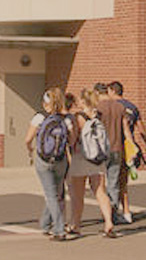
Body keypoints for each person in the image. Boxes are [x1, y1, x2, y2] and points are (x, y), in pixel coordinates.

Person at [24, 88, 74, 241]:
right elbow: (72, 141)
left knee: (51, 195)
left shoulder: (39, 117)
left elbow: (27, 139)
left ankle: (59, 230)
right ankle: (45, 224)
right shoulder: (66, 120)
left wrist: (30, 149)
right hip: (60, 160)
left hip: (43, 160)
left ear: (45, 103)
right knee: (56, 194)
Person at [68, 89, 118, 238]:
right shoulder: (99, 115)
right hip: (97, 157)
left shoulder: (78, 117)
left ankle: (76, 224)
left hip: (81, 157)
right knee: (100, 192)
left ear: (83, 101)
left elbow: (73, 139)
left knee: (78, 195)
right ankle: (108, 222)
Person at [107, 81, 146, 223]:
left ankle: (115, 212)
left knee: (112, 181)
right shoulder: (132, 107)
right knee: (123, 180)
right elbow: (141, 129)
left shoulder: (111, 107)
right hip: (128, 147)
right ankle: (126, 211)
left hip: (113, 145)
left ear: (112, 91)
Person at [94, 83, 133, 224]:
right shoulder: (120, 107)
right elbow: (126, 129)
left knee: (100, 184)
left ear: (97, 93)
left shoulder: (97, 108)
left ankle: (106, 213)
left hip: (101, 150)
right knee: (114, 183)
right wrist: (132, 146)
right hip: (117, 148)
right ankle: (113, 213)